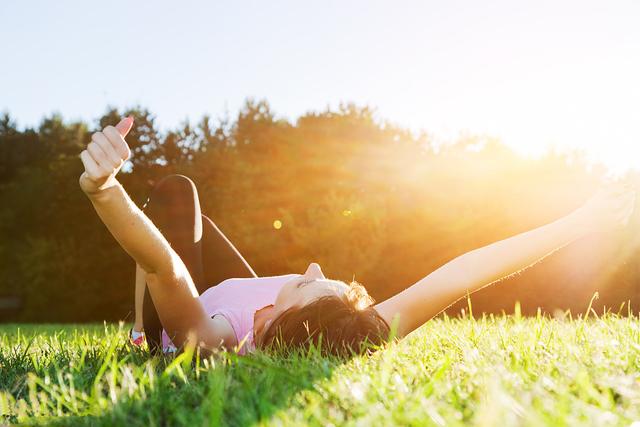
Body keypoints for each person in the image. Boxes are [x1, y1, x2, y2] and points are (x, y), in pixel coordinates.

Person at [79, 117, 636, 356]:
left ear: (268, 322)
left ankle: (137, 336)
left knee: (175, 196)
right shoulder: (354, 329)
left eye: (300, 285)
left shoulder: (214, 338)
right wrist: (578, 222)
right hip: (227, 289)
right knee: (185, 211)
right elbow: (466, 272)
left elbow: (163, 267)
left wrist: (105, 189)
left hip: (181, 314)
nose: (315, 268)